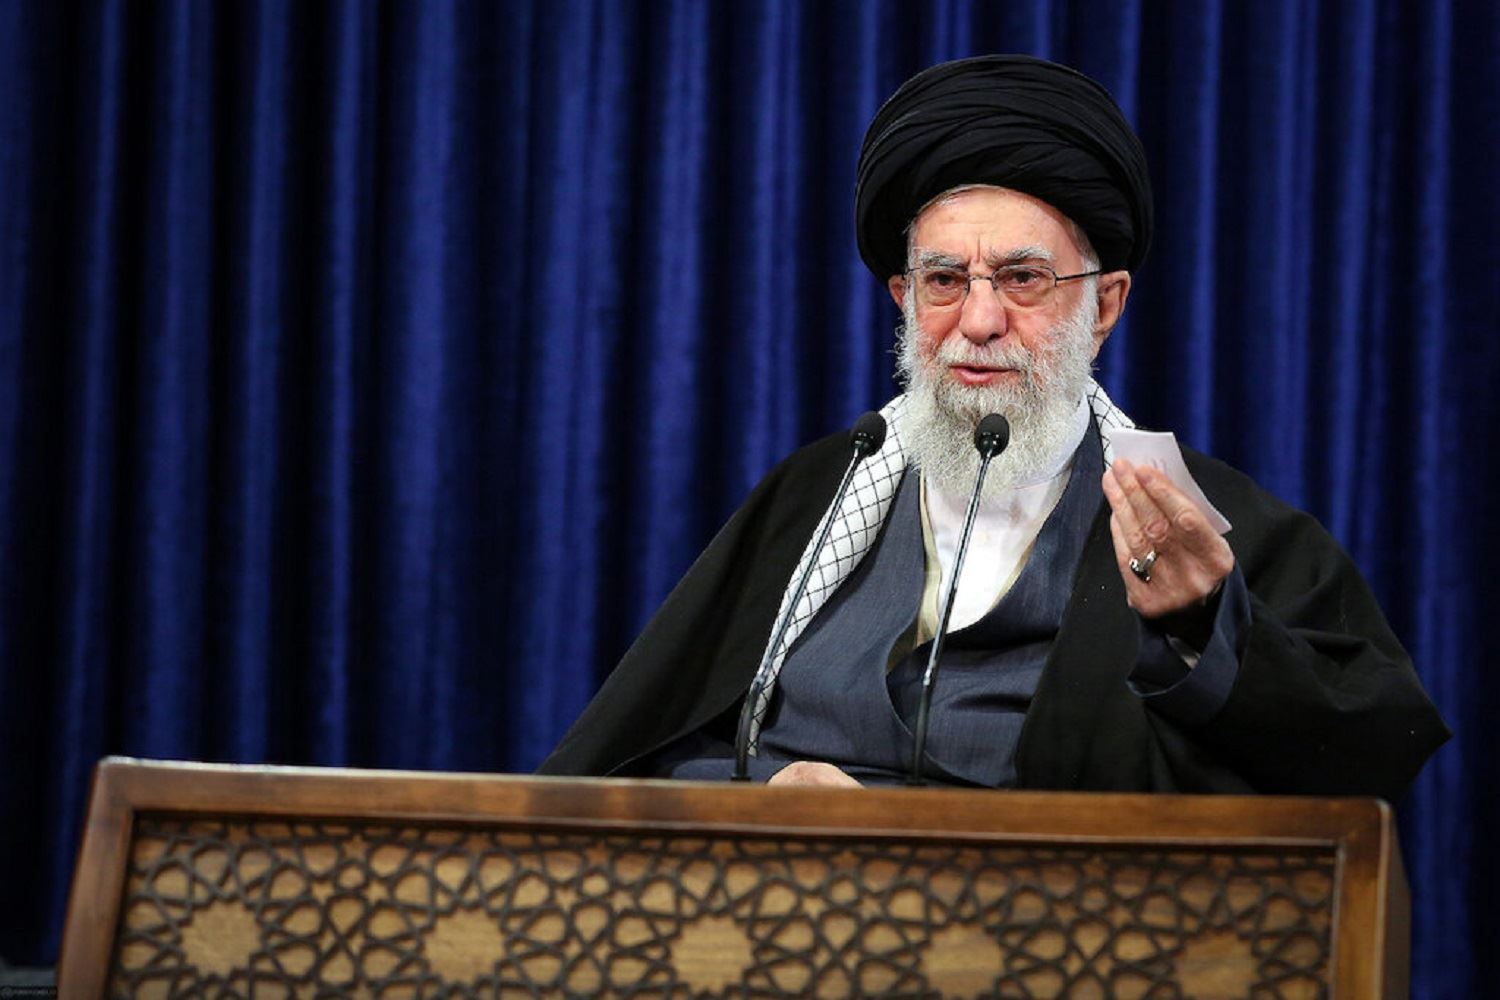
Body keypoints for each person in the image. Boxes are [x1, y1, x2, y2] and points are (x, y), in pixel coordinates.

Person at [538, 55, 1448, 800]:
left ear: (1104, 306)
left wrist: (1205, 624)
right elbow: (643, 756)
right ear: (904, 298)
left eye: (1022, 279)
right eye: (944, 281)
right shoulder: (821, 495)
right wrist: (769, 798)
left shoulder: (1196, 523)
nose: (977, 321)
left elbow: (1364, 755)